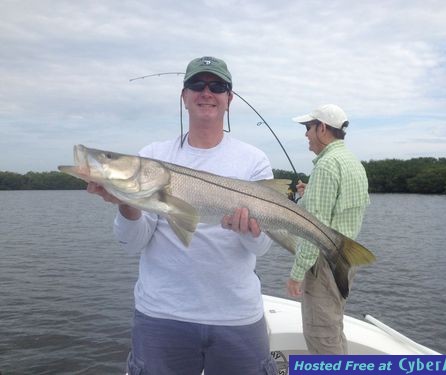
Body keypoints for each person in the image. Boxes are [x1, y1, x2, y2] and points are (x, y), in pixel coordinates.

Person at [88, 56, 278, 375]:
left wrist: (250, 230)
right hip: (162, 316)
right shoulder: (152, 156)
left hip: (237, 317)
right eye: (196, 85)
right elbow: (131, 243)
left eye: (217, 86)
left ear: (229, 98)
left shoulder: (254, 161)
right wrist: (127, 203)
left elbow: (262, 248)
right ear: (184, 96)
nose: (207, 92)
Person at [286, 104, 370, 354]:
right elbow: (334, 214)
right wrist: (307, 195)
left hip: (324, 263)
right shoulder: (351, 162)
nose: (306, 135)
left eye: (308, 128)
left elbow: (316, 229)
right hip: (344, 260)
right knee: (333, 328)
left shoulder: (325, 166)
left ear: (322, 128)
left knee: (321, 335)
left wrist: (297, 272)